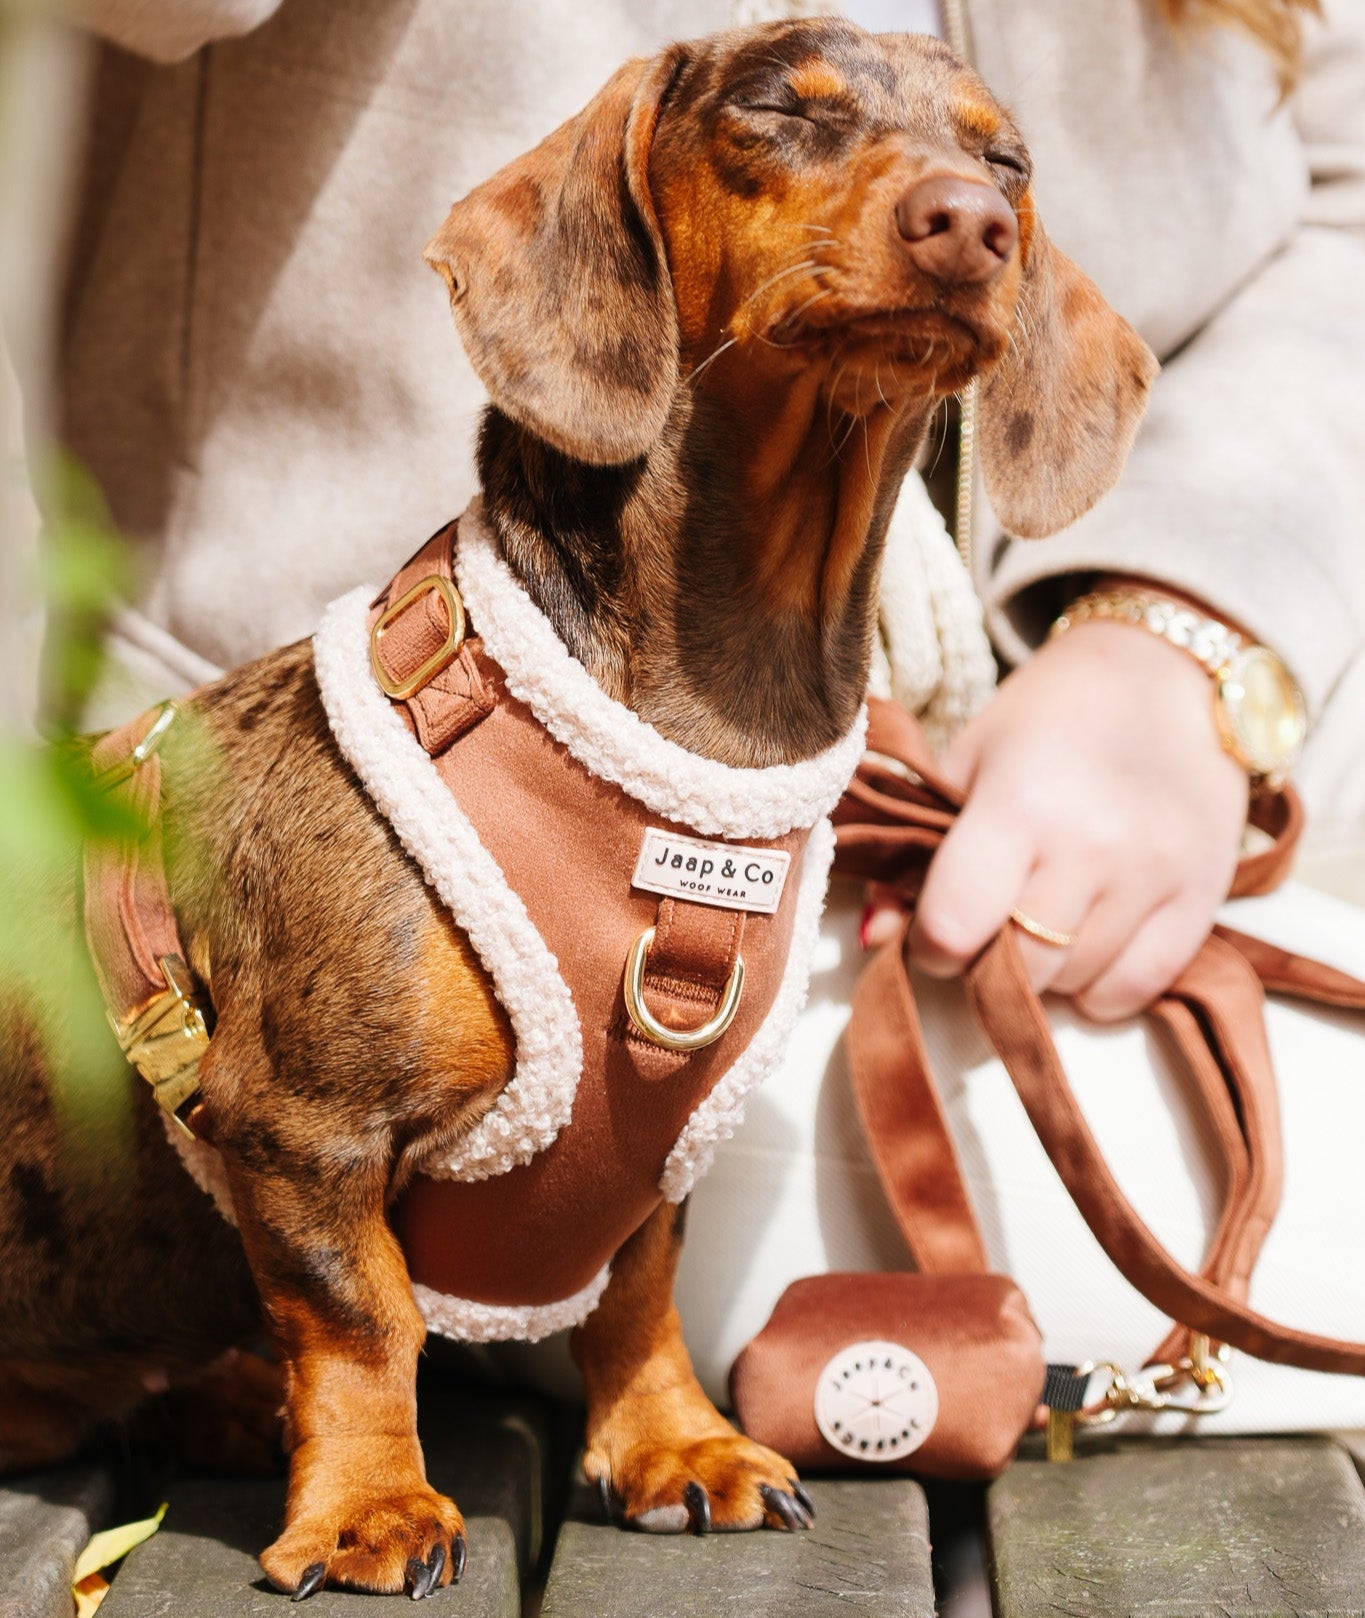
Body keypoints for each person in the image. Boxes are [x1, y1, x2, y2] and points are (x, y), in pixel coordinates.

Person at [35, 0, 1365, 1430]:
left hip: (974, 844)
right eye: (789, 118)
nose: (961, 215)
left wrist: (1173, 630)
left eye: (996, 181)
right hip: (321, 874)